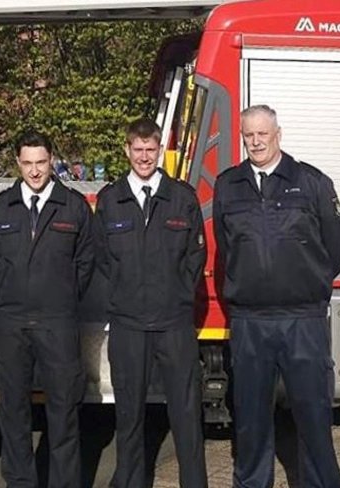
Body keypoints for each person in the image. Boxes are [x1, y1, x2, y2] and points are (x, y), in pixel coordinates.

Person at [213, 105, 340, 488]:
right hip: (251, 322)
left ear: (278, 135)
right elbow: (227, 249)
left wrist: (312, 281)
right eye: (248, 136)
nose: (256, 142)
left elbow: (336, 243)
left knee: (313, 416)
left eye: (262, 134)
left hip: (302, 319)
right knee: (251, 421)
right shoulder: (229, 185)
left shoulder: (311, 182)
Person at [94, 118, 208, 488]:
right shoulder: (111, 200)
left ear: (159, 151)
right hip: (129, 326)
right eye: (138, 149)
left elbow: (196, 257)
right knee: (129, 419)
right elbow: (101, 258)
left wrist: (176, 295)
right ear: (127, 150)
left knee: (187, 416)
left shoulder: (182, 196)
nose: (144, 157)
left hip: (174, 324)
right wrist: (124, 295)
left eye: (150, 150)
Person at [0, 132, 93, 488]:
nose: (35, 171)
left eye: (41, 162)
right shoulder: (2, 206)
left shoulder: (73, 206)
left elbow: (87, 261)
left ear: (52, 161)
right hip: (12, 323)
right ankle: (20, 482)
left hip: (57, 323)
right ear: (18, 163)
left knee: (63, 413)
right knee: (13, 412)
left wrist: (60, 296)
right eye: (28, 163)